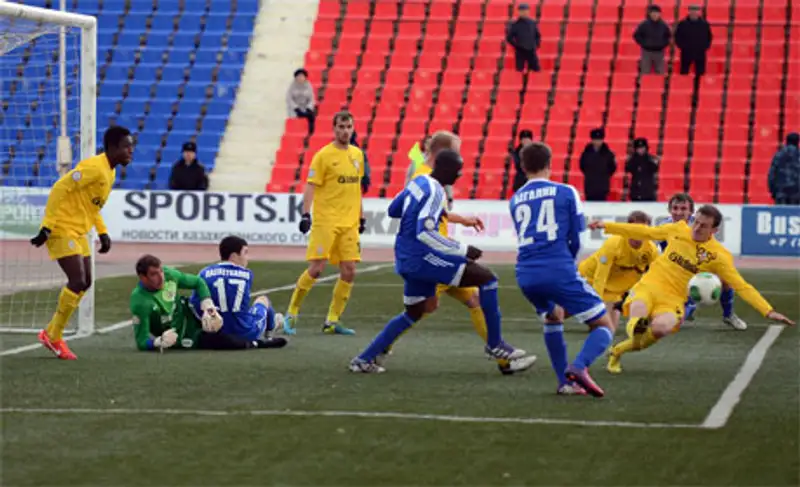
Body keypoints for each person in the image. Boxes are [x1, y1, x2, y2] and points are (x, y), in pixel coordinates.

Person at [349, 149, 530, 373]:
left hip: (405, 257)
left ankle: (364, 359)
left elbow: (394, 210)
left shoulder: (418, 182)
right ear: (445, 170)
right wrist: (463, 249)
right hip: (423, 257)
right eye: (457, 171)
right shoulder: (436, 192)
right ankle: (495, 345)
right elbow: (424, 233)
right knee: (488, 279)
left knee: (414, 312)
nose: (459, 176)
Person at [589, 206, 795, 374]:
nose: (696, 228)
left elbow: (741, 285)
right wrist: (606, 226)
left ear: (714, 230)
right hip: (650, 285)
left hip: (674, 298)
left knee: (660, 329)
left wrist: (767, 310)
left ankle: (617, 351)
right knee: (639, 314)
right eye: (695, 221)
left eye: (703, 226)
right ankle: (635, 327)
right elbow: (645, 232)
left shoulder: (718, 256)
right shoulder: (678, 229)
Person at [511, 142, 616, 397]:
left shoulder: (515, 199)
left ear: (523, 167)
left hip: (524, 274)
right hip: (557, 268)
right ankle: (579, 367)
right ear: (550, 163)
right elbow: (577, 237)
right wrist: (566, 264)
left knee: (554, 316)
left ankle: (565, 383)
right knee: (605, 326)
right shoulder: (566, 191)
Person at [30, 126, 133, 360]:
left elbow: (91, 204)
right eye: (127, 147)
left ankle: (50, 333)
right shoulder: (93, 167)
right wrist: (47, 226)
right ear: (113, 147)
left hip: (79, 231)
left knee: (85, 282)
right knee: (77, 280)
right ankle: (53, 336)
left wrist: (103, 232)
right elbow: (60, 187)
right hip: (62, 228)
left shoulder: (110, 171)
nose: (131, 152)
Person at [284, 111, 365, 335]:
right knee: (317, 268)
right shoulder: (323, 156)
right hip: (326, 221)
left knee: (349, 270)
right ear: (334, 128)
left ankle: (332, 321)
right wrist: (305, 214)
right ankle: (292, 312)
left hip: (349, 223)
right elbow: (311, 185)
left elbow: (357, 188)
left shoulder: (358, 155)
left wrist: (361, 216)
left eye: (349, 127)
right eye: (341, 126)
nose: (345, 131)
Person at [130, 255, 281, 351]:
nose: (161, 277)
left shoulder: (170, 275)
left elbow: (198, 282)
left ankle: (265, 333)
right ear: (142, 277)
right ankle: (259, 342)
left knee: (221, 321)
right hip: (179, 337)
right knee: (221, 341)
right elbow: (142, 341)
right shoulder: (139, 302)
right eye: (154, 274)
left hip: (191, 316)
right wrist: (157, 342)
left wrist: (207, 304)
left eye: (161, 271)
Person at [659, 193, 747, 330]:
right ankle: (688, 304)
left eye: (683, 209)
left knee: (725, 279)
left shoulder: (698, 225)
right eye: (675, 208)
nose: (679, 212)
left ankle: (728, 315)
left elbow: (710, 248)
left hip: (699, 262)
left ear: (691, 212)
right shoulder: (664, 225)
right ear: (669, 210)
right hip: (676, 267)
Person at [190, 236, 287, 347]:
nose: (247, 258)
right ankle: (271, 328)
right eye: (245, 253)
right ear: (234, 256)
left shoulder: (204, 273)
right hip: (244, 333)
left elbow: (195, 305)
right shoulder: (247, 274)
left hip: (215, 334)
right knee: (263, 299)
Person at [579, 211, 658, 329]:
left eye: (643, 229)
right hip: (588, 280)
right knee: (556, 314)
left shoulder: (651, 251)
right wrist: (595, 305)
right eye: (635, 228)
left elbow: (655, 279)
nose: (639, 233)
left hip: (614, 292)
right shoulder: (614, 244)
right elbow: (600, 277)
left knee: (607, 329)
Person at [579, 128, 617, 201]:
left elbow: (612, 168)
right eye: (595, 139)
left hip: (603, 186)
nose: (597, 142)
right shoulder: (586, 153)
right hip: (590, 185)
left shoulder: (608, 154)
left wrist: (604, 175)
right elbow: (582, 166)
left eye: (599, 139)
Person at [675, 5, 713, 76]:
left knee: (700, 72)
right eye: (692, 10)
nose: (694, 12)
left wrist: (704, 47)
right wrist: (683, 47)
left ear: (699, 12)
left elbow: (709, 37)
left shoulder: (704, 24)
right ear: (689, 12)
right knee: (684, 71)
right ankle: (684, 86)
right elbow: (677, 36)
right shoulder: (682, 24)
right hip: (686, 52)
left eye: (696, 10)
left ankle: (698, 87)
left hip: (700, 52)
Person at [633, 5, 672, 74]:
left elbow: (668, 36)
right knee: (645, 72)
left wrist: (663, 44)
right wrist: (644, 43)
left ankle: (659, 85)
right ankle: (645, 84)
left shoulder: (664, 25)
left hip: (659, 52)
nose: (655, 14)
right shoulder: (644, 24)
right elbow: (636, 35)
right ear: (650, 14)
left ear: (660, 14)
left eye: (657, 13)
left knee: (660, 72)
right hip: (646, 52)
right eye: (653, 13)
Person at [506, 3, 541, 73]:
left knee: (536, 70)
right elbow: (509, 38)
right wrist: (517, 46)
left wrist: (536, 45)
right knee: (519, 71)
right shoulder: (515, 24)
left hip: (531, 50)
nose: (524, 12)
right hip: (520, 51)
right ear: (519, 12)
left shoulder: (532, 23)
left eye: (526, 10)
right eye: (522, 11)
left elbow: (537, 36)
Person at [768, 132, 800, 205]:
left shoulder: (778, 155)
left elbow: (771, 175)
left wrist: (773, 192)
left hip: (781, 193)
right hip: (797, 194)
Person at [286, 68, 316, 135]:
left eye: (302, 76)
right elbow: (289, 99)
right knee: (295, 118)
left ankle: (310, 132)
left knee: (311, 116)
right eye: (298, 76)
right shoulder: (292, 86)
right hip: (295, 109)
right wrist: (296, 108)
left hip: (305, 107)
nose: (300, 78)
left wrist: (308, 108)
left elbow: (312, 99)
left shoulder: (309, 86)